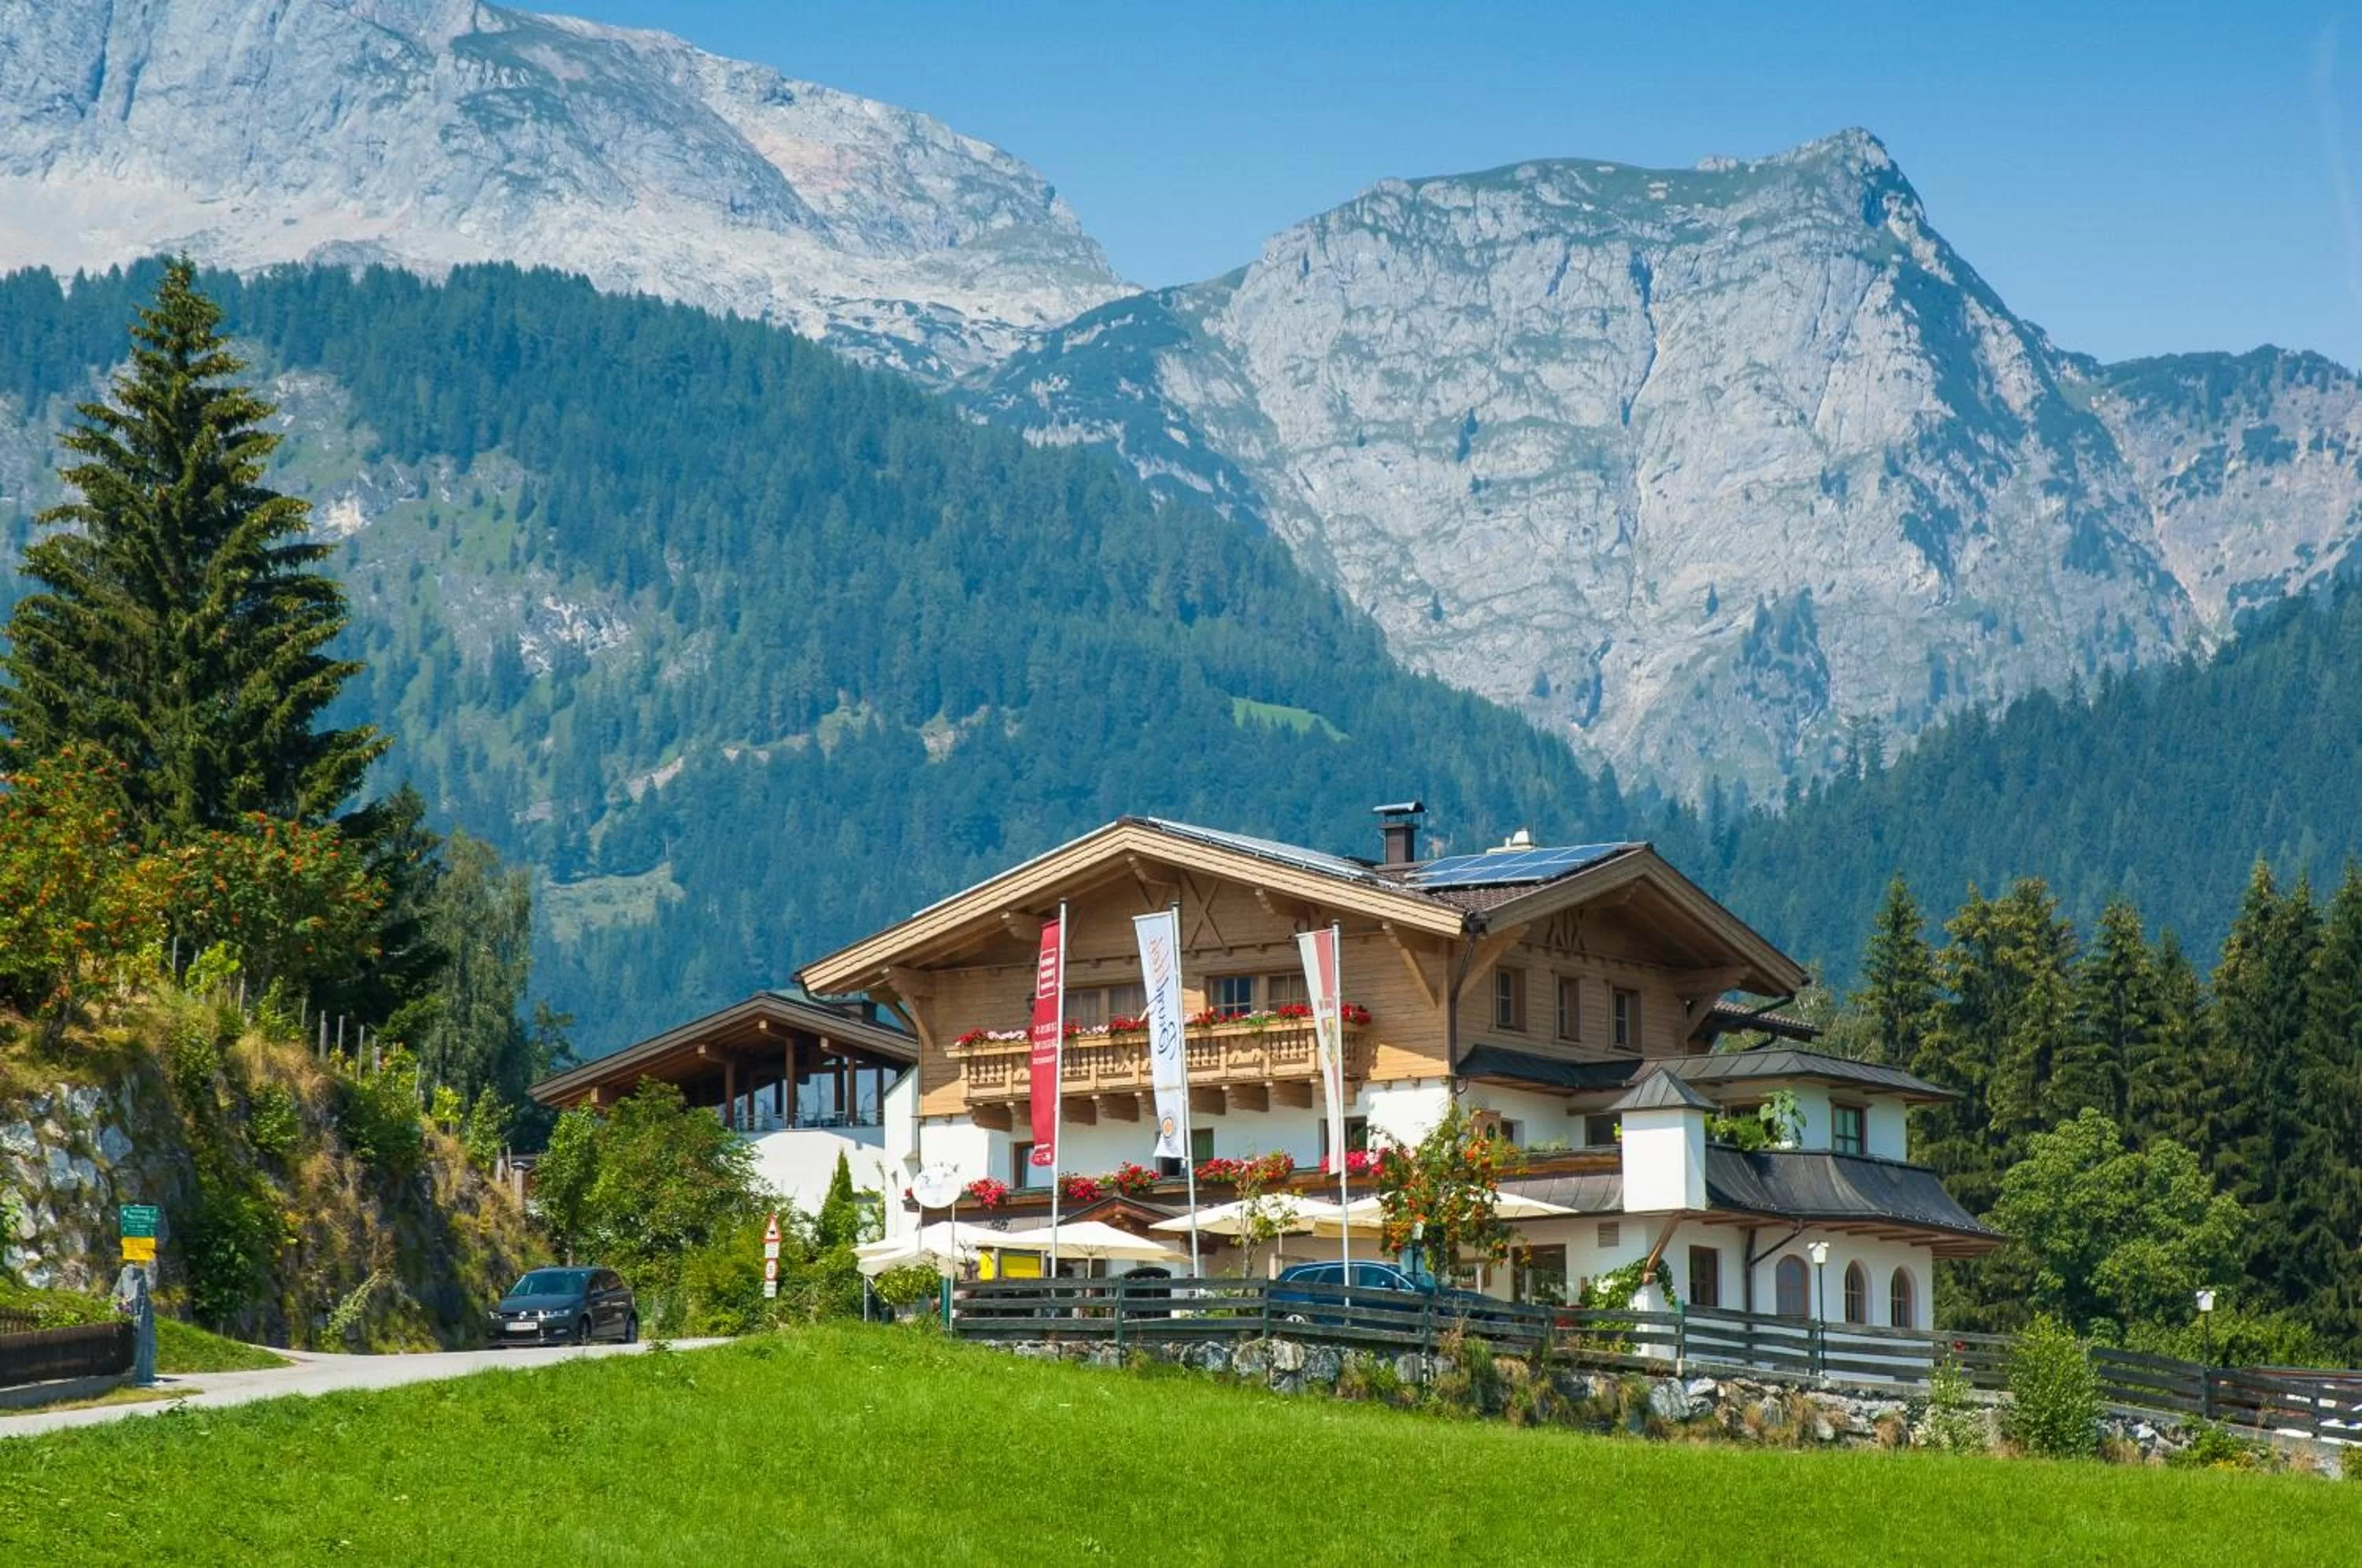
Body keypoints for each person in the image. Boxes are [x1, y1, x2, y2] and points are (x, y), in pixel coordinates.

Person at [111, 1263, 157, 1385]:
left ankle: (140, 1373)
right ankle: (131, 1374)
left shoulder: (140, 1288)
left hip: (139, 1324)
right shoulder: (124, 1282)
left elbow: (140, 1304)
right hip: (128, 1325)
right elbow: (115, 1299)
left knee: (141, 1347)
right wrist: (121, 1306)